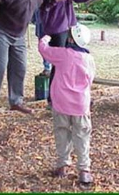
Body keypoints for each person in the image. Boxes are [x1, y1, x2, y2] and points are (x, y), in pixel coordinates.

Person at [40, 0, 103, 108]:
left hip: (71, 27)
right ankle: (53, 99)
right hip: (56, 28)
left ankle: (75, 94)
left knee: (76, 60)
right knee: (59, 63)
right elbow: (41, 1)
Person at [38, 23, 95, 186]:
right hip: (80, 104)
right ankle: (84, 171)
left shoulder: (62, 54)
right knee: (82, 135)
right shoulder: (89, 59)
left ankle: (63, 165)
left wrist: (47, 35)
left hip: (61, 102)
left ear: (70, 38)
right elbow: (90, 80)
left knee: (61, 133)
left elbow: (43, 49)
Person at [31, 8, 52, 76]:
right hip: (41, 21)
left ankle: (49, 67)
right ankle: (47, 67)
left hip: (51, 22)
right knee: (43, 46)